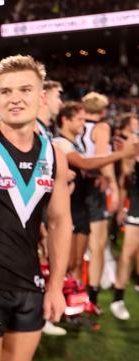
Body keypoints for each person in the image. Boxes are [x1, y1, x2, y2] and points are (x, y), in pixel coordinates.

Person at [0, 55, 71, 361]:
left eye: (25, 89)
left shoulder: (55, 155)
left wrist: (56, 288)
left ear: (41, 97)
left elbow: (61, 223)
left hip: (29, 286)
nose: (15, 98)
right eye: (6, 91)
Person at [53, 103, 136, 281]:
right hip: (67, 209)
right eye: (80, 119)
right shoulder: (59, 142)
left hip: (80, 207)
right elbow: (84, 163)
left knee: (76, 263)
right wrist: (121, 154)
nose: (84, 123)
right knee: (65, 264)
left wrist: (99, 175)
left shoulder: (76, 146)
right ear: (65, 120)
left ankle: (75, 304)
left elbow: (86, 166)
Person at [79, 91, 115, 313]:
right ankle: (91, 297)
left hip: (76, 185)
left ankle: (73, 292)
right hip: (94, 186)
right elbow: (102, 158)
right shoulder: (102, 127)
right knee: (97, 246)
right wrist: (112, 183)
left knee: (77, 243)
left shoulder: (77, 124)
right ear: (102, 111)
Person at [111, 113, 139, 320]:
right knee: (127, 253)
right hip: (136, 205)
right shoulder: (134, 141)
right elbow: (124, 178)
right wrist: (121, 207)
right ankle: (118, 299)